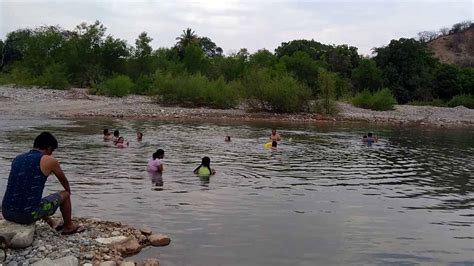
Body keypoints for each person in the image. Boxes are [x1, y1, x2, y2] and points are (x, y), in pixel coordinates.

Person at [1, 132, 83, 235]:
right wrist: (68, 193)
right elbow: (64, 181)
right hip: (27, 215)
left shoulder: (18, 158)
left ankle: (52, 223)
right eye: (52, 151)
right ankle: (69, 226)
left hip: (6, 212)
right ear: (49, 148)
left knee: (33, 197)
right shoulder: (49, 160)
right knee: (65, 195)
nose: (51, 154)